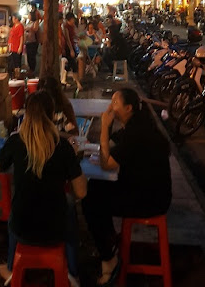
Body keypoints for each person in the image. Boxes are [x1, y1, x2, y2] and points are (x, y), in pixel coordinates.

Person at [0, 91, 87, 285]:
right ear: (52, 115)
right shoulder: (63, 146)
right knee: (68, 205)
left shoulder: (16, 142)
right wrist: (72, 161)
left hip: (22, 229)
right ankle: (72, 272)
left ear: (27, 114)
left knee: (20, 206)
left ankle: (10, 268)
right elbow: (81, 192)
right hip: (56, 230)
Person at [82, 88, 172, 286]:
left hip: (149, 199)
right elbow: (114, 143)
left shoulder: (137, 133)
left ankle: (109, 261)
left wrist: (105, 127)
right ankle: (109, 241)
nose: (110, 107)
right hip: (145, 189)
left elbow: (107, 163)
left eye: (115, 103)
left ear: (128, 107)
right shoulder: (136, 124)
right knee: (95, 186)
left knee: (90, 201)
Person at [63, 12, 85, 92]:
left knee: (69, 66)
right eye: (72, 19)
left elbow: (73, 36)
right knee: (74, 65)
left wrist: (78, 38)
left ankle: (65, 81)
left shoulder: (72, 26)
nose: (73, 20)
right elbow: (68, 39)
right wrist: (71, 49)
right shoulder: (66, 27)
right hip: (68, 48)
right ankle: (78, 84)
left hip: (73, 46)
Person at [8, 13, 24, 79]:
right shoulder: (14, 26)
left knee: (17, 63)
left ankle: (17, 76)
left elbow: (21, 37)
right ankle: (13, 76)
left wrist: (20, 47)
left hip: (16, 47)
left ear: (16, 19)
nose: (12, 19)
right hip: (12, 47)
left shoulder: (20, 26)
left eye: (13, 18)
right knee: (12, 63)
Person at [24, 8, 40, 75]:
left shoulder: (35, 22)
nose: (28, 16)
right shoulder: (28, 22)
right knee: (28, 56)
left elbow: (35, 29)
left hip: (33, 41)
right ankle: (30, 69)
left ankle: (33, 70)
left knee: (32, 56)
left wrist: (28, 29)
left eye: (29, 15)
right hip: (28, 41)